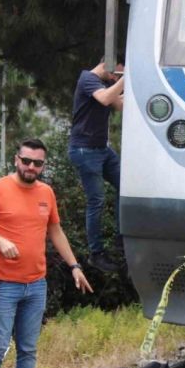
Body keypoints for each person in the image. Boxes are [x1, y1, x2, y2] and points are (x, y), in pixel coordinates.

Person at [0, 139, 93, 368]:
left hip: (36, 284)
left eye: (37, 163)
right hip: (3, 283)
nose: (31, 167)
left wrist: (75, 266)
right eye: (26, 161)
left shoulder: (46, 192)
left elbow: (56, 232)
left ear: (43, 166)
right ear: (16, 160)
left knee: (28, 348)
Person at [68, 57, 125, 272]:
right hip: (85, 150)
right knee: (97, 200)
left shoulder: (107, 84)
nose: (116, 78)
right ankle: (96, 253)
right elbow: (104, 99)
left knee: (125, 185)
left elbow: (119, 104)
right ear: (108, 63)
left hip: (102, 149)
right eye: (117, 73)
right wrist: (125, 80)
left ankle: (121, 239)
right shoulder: (88, 79)